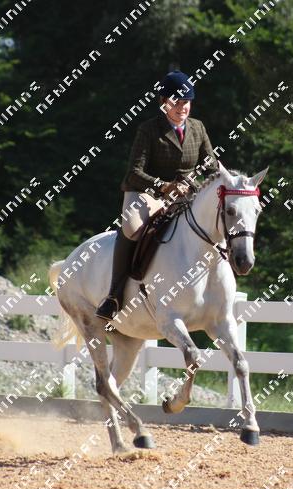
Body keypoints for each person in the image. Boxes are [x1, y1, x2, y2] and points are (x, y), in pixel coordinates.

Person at [96, 70, 218, 322]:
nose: (182, 107)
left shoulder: (198, 127)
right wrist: (164, 186)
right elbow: (134, 172)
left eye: (186, 102)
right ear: (164, 102)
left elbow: (211, 165)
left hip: (186, 193)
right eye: (176, 102)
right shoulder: (149, 129)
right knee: (132, 228)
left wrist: (200, 182)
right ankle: (114, 295)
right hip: (146, 192)